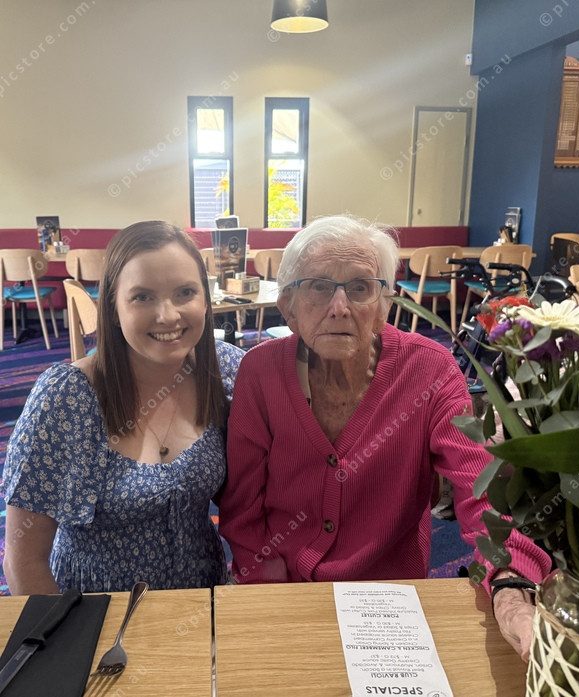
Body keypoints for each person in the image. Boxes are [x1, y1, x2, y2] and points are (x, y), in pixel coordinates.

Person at [219, 214, 551, 660]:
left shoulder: (431, 371)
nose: (340, 307)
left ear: (383, 306)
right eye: (318, 287)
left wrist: (509, 582)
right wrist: (273, 595)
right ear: (288, 306)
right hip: (283, 588)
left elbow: (480, 489)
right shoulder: (259, 372)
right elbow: (242, 510)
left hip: (391, 601)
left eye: (360, 287)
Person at [2, 221, 243, 594]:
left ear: (205, 299)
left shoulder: (224, 371)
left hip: (201, 601)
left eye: (185, 292)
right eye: (143, 297)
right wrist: (64, 630)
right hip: (94, 607)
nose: (168, 315)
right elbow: (24, 560)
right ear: (113, 308)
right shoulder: (65, 398)